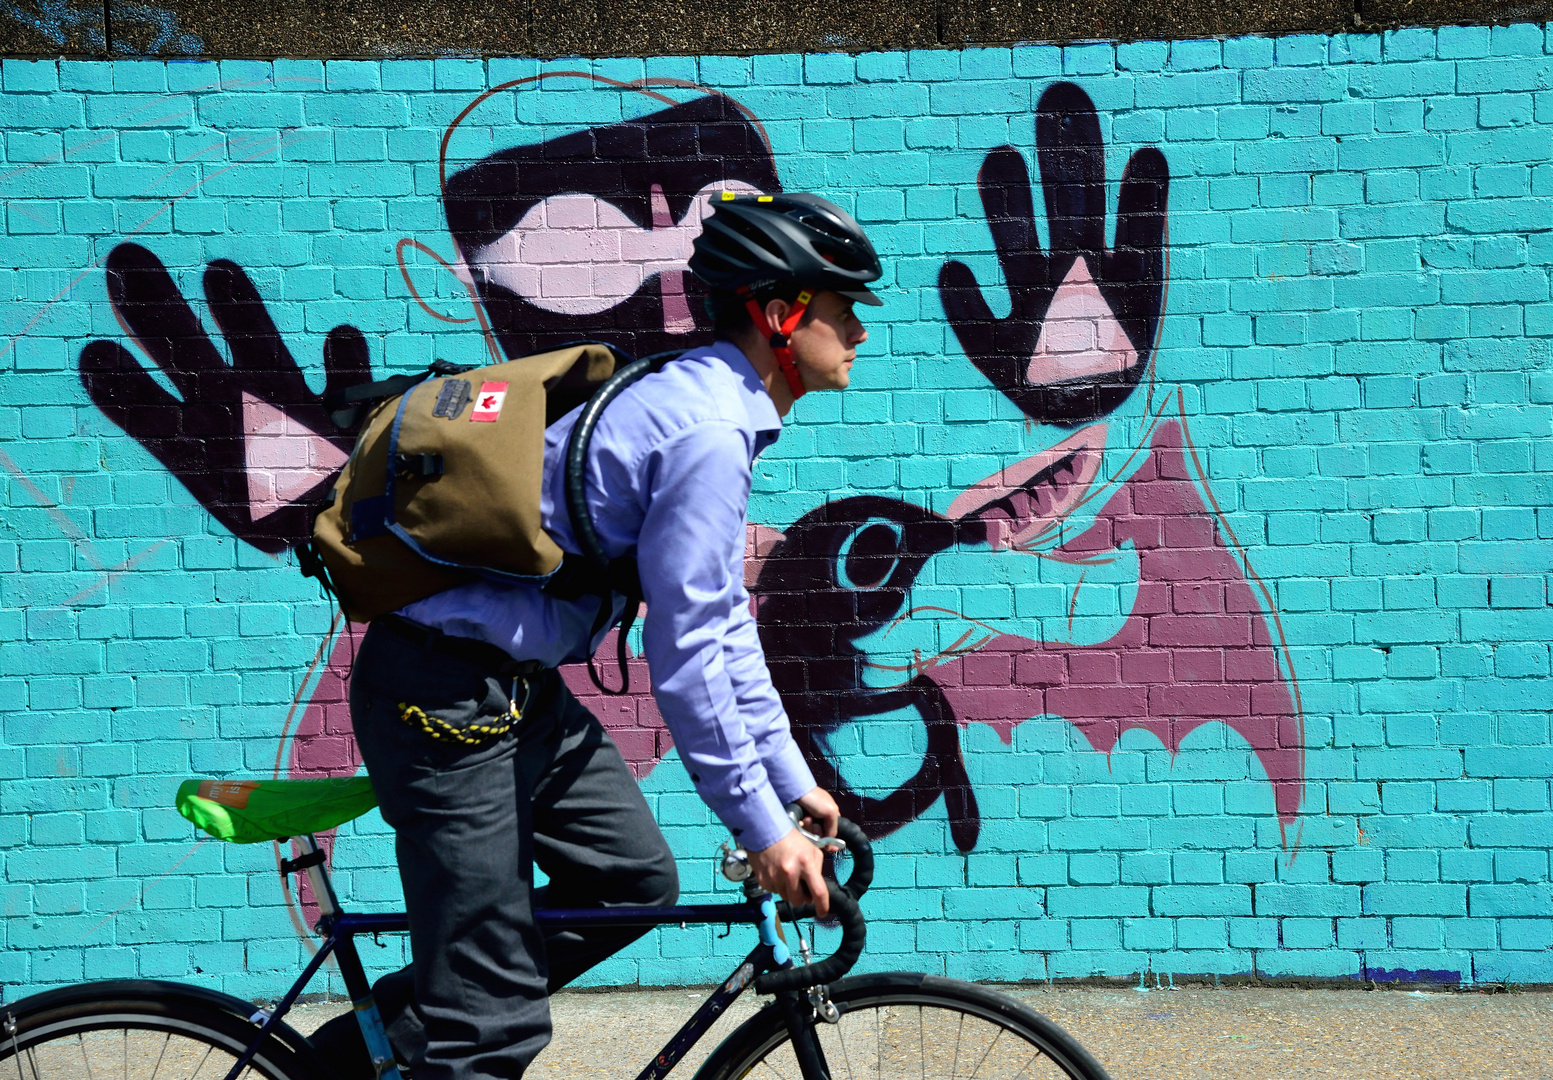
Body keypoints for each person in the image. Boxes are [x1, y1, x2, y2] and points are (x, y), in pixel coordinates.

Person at [310, 191, 885, 1080]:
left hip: (512, 691)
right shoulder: (707, 429)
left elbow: (721, 620)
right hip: (441, 700)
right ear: (780, 314)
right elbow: (687, 656)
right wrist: (761, 830)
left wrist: (789, 782)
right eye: (844, 307)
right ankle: (449, 1030)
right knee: (491, 1027)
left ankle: (349, 1060)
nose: (857, 329)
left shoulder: (704, 401)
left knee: (628, 887)